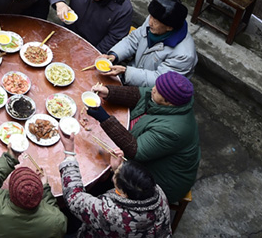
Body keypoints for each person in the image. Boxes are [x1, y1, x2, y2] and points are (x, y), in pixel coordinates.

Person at [84, 72, 201, 204]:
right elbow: (140, 94)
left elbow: (136, 151)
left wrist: (104, 118)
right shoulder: (166, 97)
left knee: (99, 179)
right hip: (148, 158)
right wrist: (109, 92)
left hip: (160, 182)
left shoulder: (174, 130)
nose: (153, 89)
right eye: (156, 86)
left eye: (157, 91)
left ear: (168, 102)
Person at [58, 139, 171, 238]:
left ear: (124, 195)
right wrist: (118, 169)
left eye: (116, 176)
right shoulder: (157, 192)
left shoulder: (114, 215)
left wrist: (69, 154)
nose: (113, 177)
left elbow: (74, 198)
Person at [102, 0, 197, 87]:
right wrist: (114, 55)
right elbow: (133, 39)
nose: (150, 22)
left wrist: (126, 73)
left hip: (151, 91)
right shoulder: (155, 19)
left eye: (155, 21)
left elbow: (160, 80)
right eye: (150, 17)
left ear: (169, 27)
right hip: (132, 74)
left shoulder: (184, 55)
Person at [0, 151, 67, 238]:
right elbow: (52, 209)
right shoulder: (57, 220)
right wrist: (45, 188)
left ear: (11, 190)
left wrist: (9, 159)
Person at [46, 0, 134, 53]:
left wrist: (93, 53)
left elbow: (114, 38)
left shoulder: (124, 10)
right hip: (65, 33)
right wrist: (60, 3)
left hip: (90, 47)